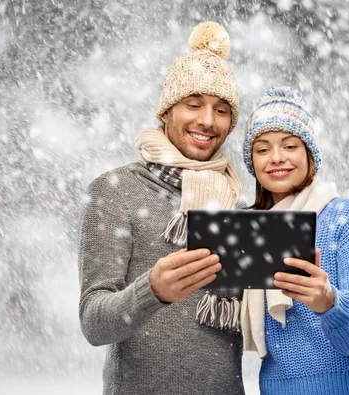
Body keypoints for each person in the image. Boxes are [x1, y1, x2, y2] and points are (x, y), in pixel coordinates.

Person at [77, 22, 246, 395]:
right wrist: (151, 290)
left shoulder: (237, 206)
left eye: (221, 110)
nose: (207, 120)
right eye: (194, 104)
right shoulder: (114, 191)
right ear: (166, 112)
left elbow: (259, 325)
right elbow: (93, 321)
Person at [240, 87, 349, 394]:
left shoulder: (343, 217)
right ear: (253, 162)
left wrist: (330, 302)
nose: (276, 158)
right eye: (262, 149)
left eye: (290, 146)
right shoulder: (251, 231)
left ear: (309, 154)